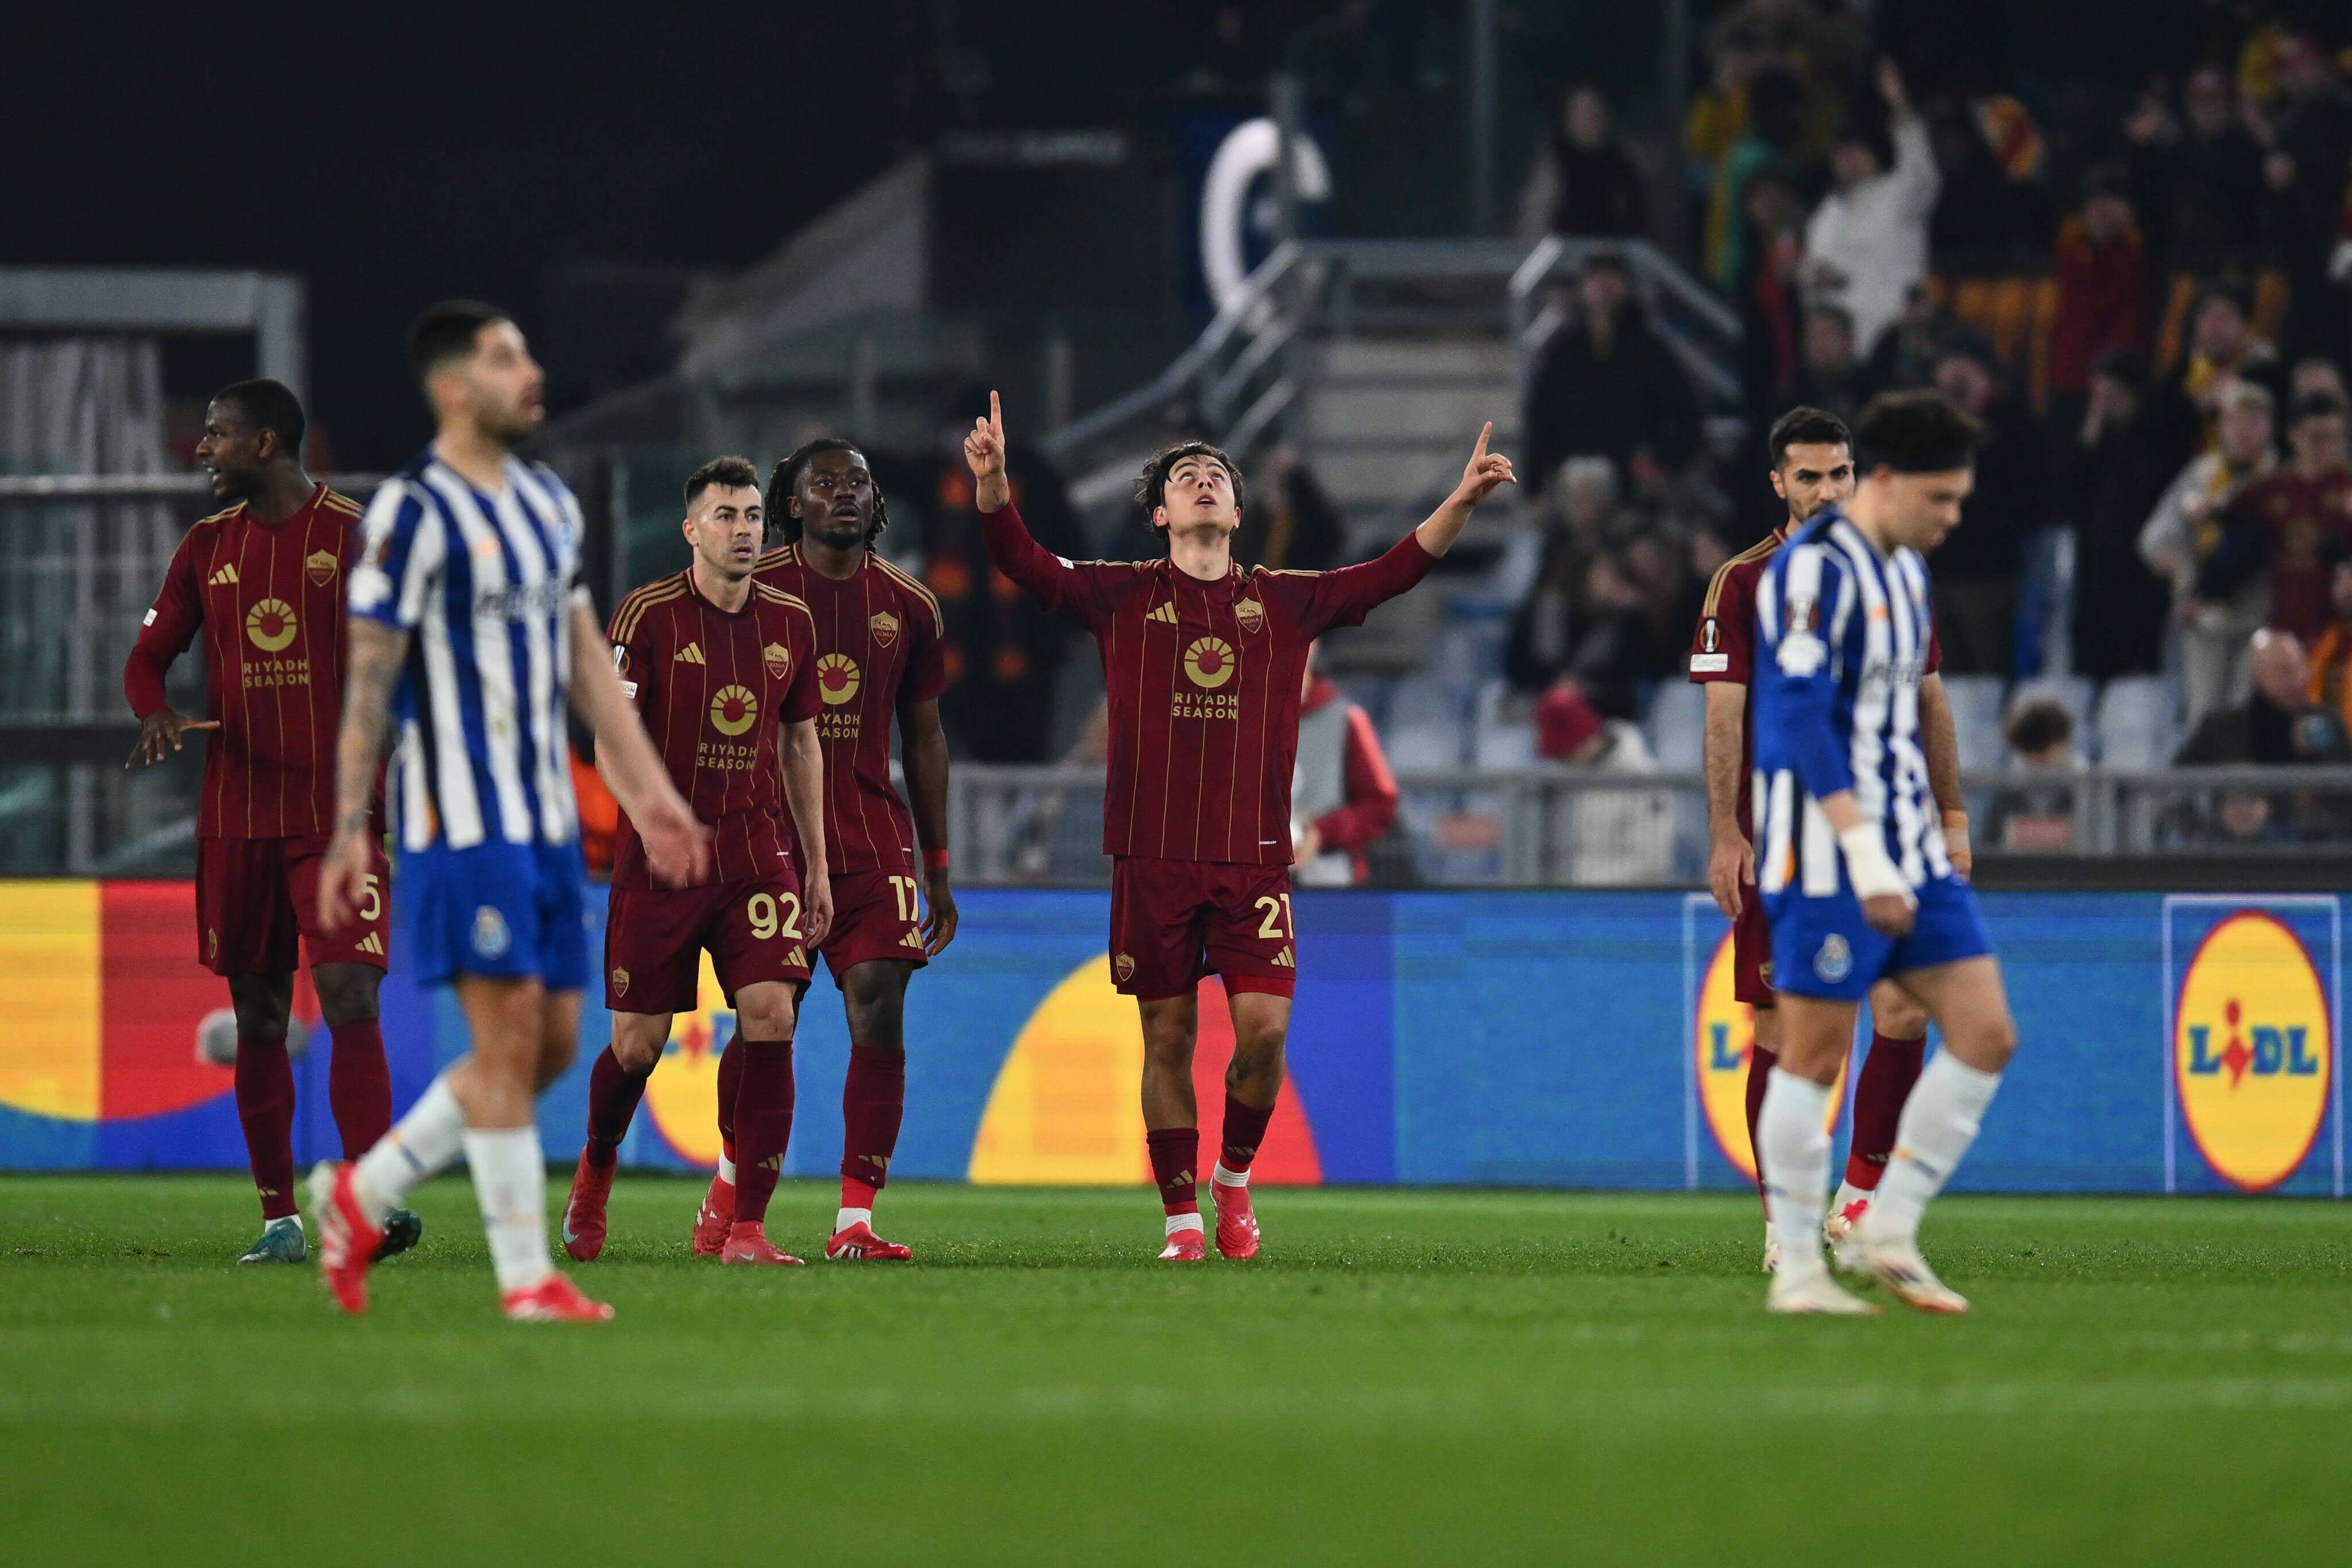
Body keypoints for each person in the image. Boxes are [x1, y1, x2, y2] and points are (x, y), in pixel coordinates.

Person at [965, 393, 1514, 1260]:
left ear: (1239, 510)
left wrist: (1465, 500)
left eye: (1216, 475)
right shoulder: (1122, 595)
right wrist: (994, 485)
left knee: (1264, 1032)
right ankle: (1183, 1219)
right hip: (1152, 856)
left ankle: (1233, 1177)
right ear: (1161, 514)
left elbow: (1393, 570)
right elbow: (1025, 563)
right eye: (1186, 478)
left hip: (1255, 858)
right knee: (1168, 1037)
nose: (1203, 482)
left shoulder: (1285, 603)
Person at [310, 301, 712, 1323]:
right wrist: (352, 823)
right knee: (505, 1046)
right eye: (504, 357)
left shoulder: (546, 503)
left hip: (545, 826)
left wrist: (655, 798)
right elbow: (367, 679)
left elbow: (585, 662)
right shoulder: (409, 514)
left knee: (548, 1050)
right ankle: (527, 1278)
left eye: (528, 350)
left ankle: (359, 1195)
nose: (531, 370)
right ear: (454, 388)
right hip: (459, 822)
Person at [121, 379, 419, 1266]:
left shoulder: (355, 535)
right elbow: (148, 655)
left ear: (265, 443)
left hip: (338, 816)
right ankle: (280, 1218)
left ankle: (363, 1200)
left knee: (349, 992)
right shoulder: (206, 546)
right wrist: (156, 711)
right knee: (257, 1012)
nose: (202, 449)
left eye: (216, 434)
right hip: (238, 812)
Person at [1752, 388, 2018, 1315]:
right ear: (1895, 483)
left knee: (1986, 1031)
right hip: (1828, 853)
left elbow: (1908, 714)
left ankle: (1885, 1228)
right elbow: (1795, 719)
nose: (1951, 520)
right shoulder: (1810, 573)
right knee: (1814, 1053)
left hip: (1908, 845)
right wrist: (1862, 851)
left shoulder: (1904, 572)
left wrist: (1940, 823)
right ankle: (1796, 1267)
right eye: (1940, 500)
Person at [1688, 406, 1962, 1275]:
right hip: (1787, 841)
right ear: (1777, 483)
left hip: (1889, 827)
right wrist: (1727, 830)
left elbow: (1931, 700)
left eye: (1838, 473)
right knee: (1789, 1034)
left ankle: (1861, 1197)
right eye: (1807, 476)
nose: (1825, 489)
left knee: (1907, 1007)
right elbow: (1723, 717)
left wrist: (1952, 815)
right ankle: (1786, 1219)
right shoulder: (1743, 582)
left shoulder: (1895, 572)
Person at [553, 458, 831, 1268]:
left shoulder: (792, 622)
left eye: (752, 515)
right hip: (660, 859)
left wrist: (815, 862)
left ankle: (746, 1226)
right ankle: (598, 1164)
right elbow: (609, 739)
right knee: (637, 1045)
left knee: (773, 1016)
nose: (744, 529)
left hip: (756, 855)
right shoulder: (646, 614)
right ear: (691, 530)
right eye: (726, 516)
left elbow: (800, 740)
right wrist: (653, 822)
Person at [746, 439, 959, 1259]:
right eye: (826, 483)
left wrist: (937, 865)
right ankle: (734, 1194)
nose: (846, 494)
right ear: (792, 504)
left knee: (880, 1000)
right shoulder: (752, 588)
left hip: (872, 840)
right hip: (770, 843)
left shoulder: (909, 604)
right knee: (771, 1020)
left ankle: (855, 1220)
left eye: (860, 482)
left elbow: (928, 736)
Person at [2139, 378, 2277, 728]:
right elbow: (2154, 538)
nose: (2244, 432)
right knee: (2204, 716)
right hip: (2204, 617)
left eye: (2254, 422)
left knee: (2247, 715)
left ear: (2271, 427)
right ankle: (2205, 784)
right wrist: (2181, 574)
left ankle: (2241, 786)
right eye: (2235, 421)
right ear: (2222, 427)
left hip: (2262, 616)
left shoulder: (2281, 479)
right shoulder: (2202, 475)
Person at [1522, 251, 1702, 494]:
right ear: (1581, 288)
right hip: (1572, 481)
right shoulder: (1562, 353)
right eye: (1596, 279)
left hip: (1634, 484)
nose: (1604, 287)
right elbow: (1541, 420)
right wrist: (1535, 489)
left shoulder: (1650, 351)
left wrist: (1663, 464)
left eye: (1613, 278)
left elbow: (1687, 413)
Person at [2064, 350, 2195, 680]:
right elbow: (2067, 491)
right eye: (2099, 396)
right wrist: (2090, 438)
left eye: (2114, 395)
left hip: (2140, 575)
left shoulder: (2158, 441)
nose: (2106, 404)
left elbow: (2147, 491)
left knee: (2137, 672)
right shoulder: (2090, 443)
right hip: (2094, 572)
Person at [1927, 331, 2050, 676]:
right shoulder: (1933, 429)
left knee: (1990, 675)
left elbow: (2028, 501)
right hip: (1941, 574)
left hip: (1992, 576)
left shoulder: (2015, 426)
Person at [1802, 59, 1939, 357]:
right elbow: (1812, 283)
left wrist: (1899, 104)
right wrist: (1815, 279)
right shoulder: (1825, 215)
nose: (1848, 158)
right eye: (1841, 152)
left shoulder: (1900, 192)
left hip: (1896, 342)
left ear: (1873, 152)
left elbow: (1922, 170)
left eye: (1856, 149)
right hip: (1842, 354)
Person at [2201, 392, 2352, 643]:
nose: (2326, 447)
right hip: (2282, 623)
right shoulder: (2273, 488)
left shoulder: (2347, 488)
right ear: (2293, 436)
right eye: (2316, 438)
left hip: (2339, 630)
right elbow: (2220, 511)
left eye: (2334, 438)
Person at [1292, 644, 1398, 888]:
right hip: (1249, 887)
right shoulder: (1237, 720)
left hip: (1329, 883)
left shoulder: (1346, 719)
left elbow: (1381, 805)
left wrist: (1321, 833)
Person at [1986, 699, 2082, 851]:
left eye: (2041, 747)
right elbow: (1992, 847)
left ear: (2063, 742)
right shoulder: (2007, 795)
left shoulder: (2088, 794)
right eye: (2028, 749)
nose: (2035, 758)